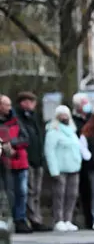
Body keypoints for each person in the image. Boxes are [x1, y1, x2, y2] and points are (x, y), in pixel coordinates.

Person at [44, 105, 83, 232]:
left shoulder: (72, 131)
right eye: (61, 115)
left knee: (72, 195)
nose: (64, 117)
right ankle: (58, 220)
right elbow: (49, 151)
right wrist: (53, 170)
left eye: (66, 114)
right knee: (59, 195)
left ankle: (68, 219)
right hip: (60, 169)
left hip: (73, 168)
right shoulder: (53, 131)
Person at [15, 92, 48, 231]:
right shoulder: (17, 118)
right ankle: (31, 218)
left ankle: (37, 216)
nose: (30, 105)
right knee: (28, 190)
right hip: (25, 159)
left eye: (32, 102)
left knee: (36, 191)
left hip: (37, 159)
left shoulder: (35, 118)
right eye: (27, 101)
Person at [0, 94, 30, 233]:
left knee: (22, 192)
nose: (9, 108)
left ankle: (20, 218)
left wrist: (11, 143)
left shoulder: (16, 120)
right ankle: (8, 220)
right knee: (8, 192)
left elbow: (25, 138)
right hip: (4, 163)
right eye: (6, 105)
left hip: (20, 161)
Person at [72, 92, 93, 228]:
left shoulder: (92, 119)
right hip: (79, 160)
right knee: (83, 190)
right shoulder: (73, 121)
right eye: (84, 103)